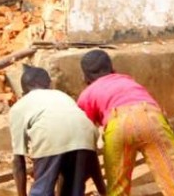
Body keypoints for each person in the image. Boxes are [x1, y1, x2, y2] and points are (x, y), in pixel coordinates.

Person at [77, 50, 174, 196]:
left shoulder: (87, 94)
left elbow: (84, 129)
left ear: (85, 76)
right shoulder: (128, 81)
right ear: (112, 68)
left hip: (118, 124)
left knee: (118, 190)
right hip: (150, 116)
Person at [10, 65, 105, 196]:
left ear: (23, 92)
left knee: (42, 190)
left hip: (50, 134)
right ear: (49, 85)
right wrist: (104, 191)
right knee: (73, 191)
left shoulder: (19, 107)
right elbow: (92, 158)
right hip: (86, 135)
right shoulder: (62, 96)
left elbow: (18, 161)